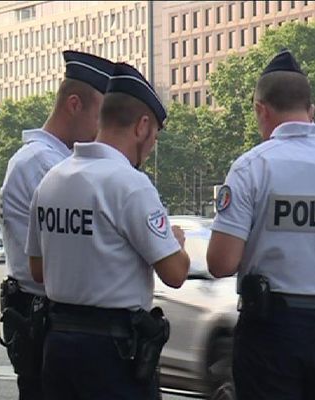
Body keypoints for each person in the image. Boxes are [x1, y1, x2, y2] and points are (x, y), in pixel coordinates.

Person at [206, 50, 315, 400]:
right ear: (311, 110)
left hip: (271, 333)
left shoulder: (252, 167)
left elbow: (220, 263)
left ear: (261, 110)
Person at [25, 62, 190, 400]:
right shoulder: (130, 185)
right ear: (143, 126)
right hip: (113, 353)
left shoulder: (52, 179)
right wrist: (176, 243)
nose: (152, 145)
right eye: (155, 136)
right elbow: (175, 273)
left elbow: (38, 270)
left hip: (58, 347)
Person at [0, 50, 115, 400]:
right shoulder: (43, 164)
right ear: (74, 104)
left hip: (51, 318)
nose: (106, 130)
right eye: (102, 116)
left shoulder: (56, 161)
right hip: (46, 318)